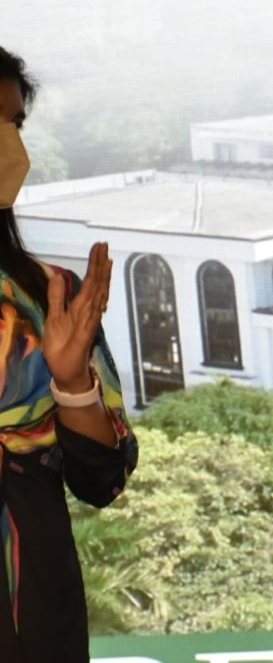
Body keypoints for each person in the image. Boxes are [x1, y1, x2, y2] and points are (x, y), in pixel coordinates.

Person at [0, 46, 138, 663]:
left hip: (33, 616)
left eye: (14, 125)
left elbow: (101, 480)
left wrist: (71, 381)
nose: (8, 146)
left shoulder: (47, 298)